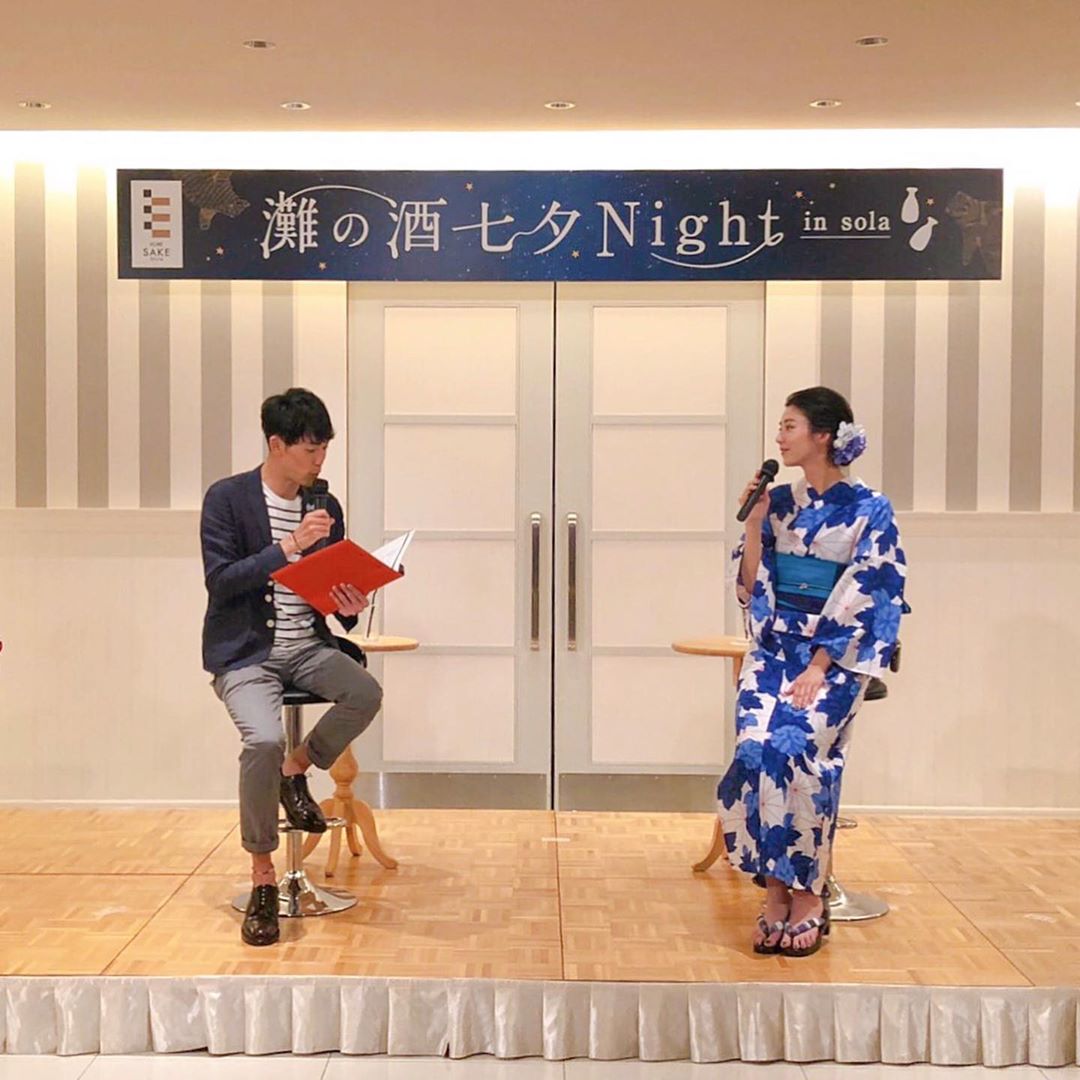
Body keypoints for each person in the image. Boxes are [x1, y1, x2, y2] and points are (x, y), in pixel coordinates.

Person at [717, 386, 906, 957]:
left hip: (834, 658)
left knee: (796, 748)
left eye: (790, 426)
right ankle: (774, 891)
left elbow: (871, 588)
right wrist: (754, 522)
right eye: (780, 425)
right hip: (776, 650)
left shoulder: (871, 508)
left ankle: (807, 895)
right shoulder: (778, 502)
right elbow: (751, 586)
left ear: (824, 435)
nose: (779, 436)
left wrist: (821, 664)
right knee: (755, 749)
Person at [200, 387, 383, 947]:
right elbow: (221, 582)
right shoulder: (227, 499)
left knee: (365, 692)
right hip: (246, 653)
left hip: (306, 647)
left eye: (325, 449)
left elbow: (334, 593)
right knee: (261, 739)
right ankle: (263, 877)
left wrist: (350, 603)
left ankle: (295, 769)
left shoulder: (326, 507)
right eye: (310, 450)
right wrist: (286, 548)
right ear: (276, 445)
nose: (319, 461)